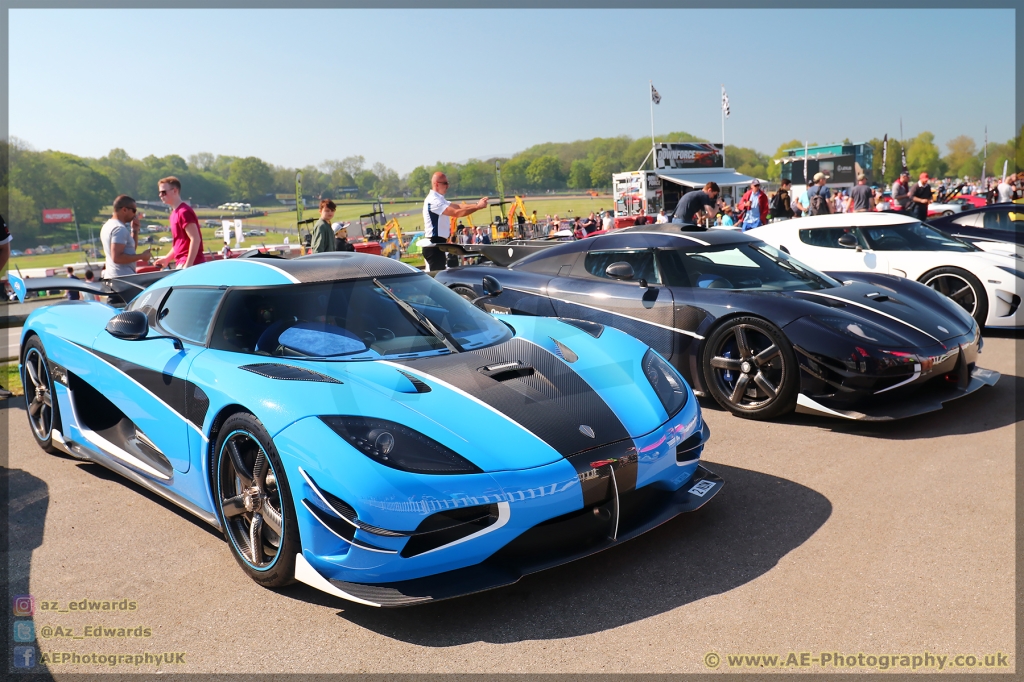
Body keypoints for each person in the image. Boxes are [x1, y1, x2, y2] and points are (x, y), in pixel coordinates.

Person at [421, 172, 488, 272]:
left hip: (438, 244)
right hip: (433, 245)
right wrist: (478, 207)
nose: (448, 186)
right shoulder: (433, 200)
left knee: (438, 278)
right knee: (435, 279)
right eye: (445, 183)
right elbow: (456, 212)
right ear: (436, 184)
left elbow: (459, 206)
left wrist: (477, 204)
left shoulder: (439, 199)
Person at [154, 177, 204, 269]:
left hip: (191, 264)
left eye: (163, 192)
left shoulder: (184, 212)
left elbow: (195, 239)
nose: (161, 195)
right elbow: (180, 243)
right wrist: (167, 259)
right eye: (160, 193)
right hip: (182, 262)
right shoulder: (174, 214)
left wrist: (188, 265)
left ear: (175, 191)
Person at [100, 195, 152, 278]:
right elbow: (117, 257)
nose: (135, 214)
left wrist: (134, 231)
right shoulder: (119, 228)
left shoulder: (107, 225)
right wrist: (141, 256)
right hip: (123, 279)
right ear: (124, 210)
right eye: (134, 210)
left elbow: (129, 251)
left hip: (114, 277)